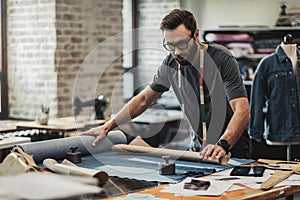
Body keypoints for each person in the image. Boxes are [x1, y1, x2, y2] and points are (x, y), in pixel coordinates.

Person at [80, 9, 250, 159]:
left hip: (231, 149)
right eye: (170, 45)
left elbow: (242, 111)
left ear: (196, 35)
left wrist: (223, 145)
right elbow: (144, 99)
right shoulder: (170, 64)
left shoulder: (222, 59)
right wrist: (107, 127)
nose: (177, 52)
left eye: (182, 44)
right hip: (199, 151)